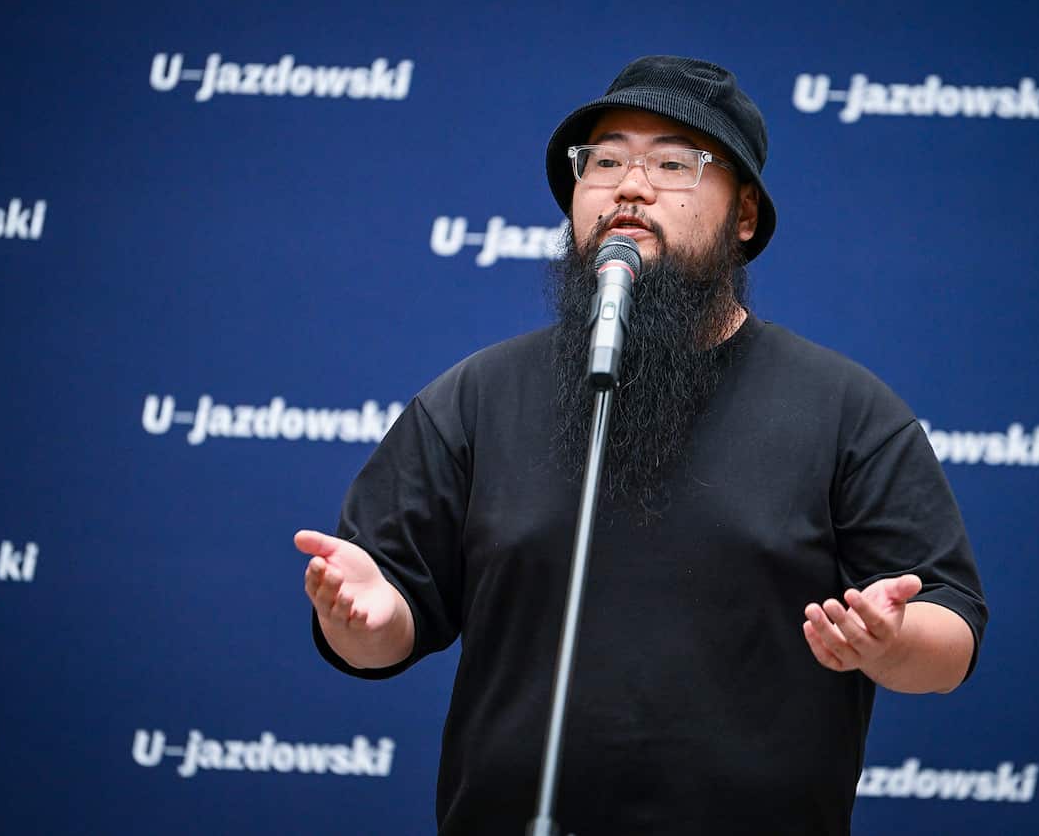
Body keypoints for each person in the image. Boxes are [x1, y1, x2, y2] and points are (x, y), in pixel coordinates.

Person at [295, 55, 987, 835]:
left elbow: (950, 629)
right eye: (605, 160)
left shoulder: (846, 409)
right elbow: (387, 618)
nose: (630, 185)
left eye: (672, 163)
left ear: (746, 214)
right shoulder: (476, 397)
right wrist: (362, 617)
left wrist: (890, 643)